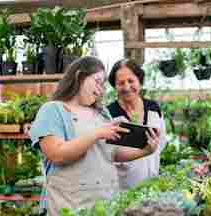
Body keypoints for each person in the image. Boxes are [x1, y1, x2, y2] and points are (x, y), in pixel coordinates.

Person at [29, 56, 159, 215]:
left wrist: (145, 150)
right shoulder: (53, 110)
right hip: (68, 204)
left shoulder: (101, 113)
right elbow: (57, 154)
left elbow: (111, 153)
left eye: (102, 85)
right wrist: (98, 133)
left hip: (105, 204)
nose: (100, 89)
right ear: (79, 77)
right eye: (97, 81)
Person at [107, 59, 167, 190]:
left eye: (131, 81)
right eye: (121, 83)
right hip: (122, 190)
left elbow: (161, 142)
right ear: (114, 86)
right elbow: (109, 154)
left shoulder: (153, 108)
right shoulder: (110, 114)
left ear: (139, 81)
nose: (127, 87)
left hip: (153, 185)